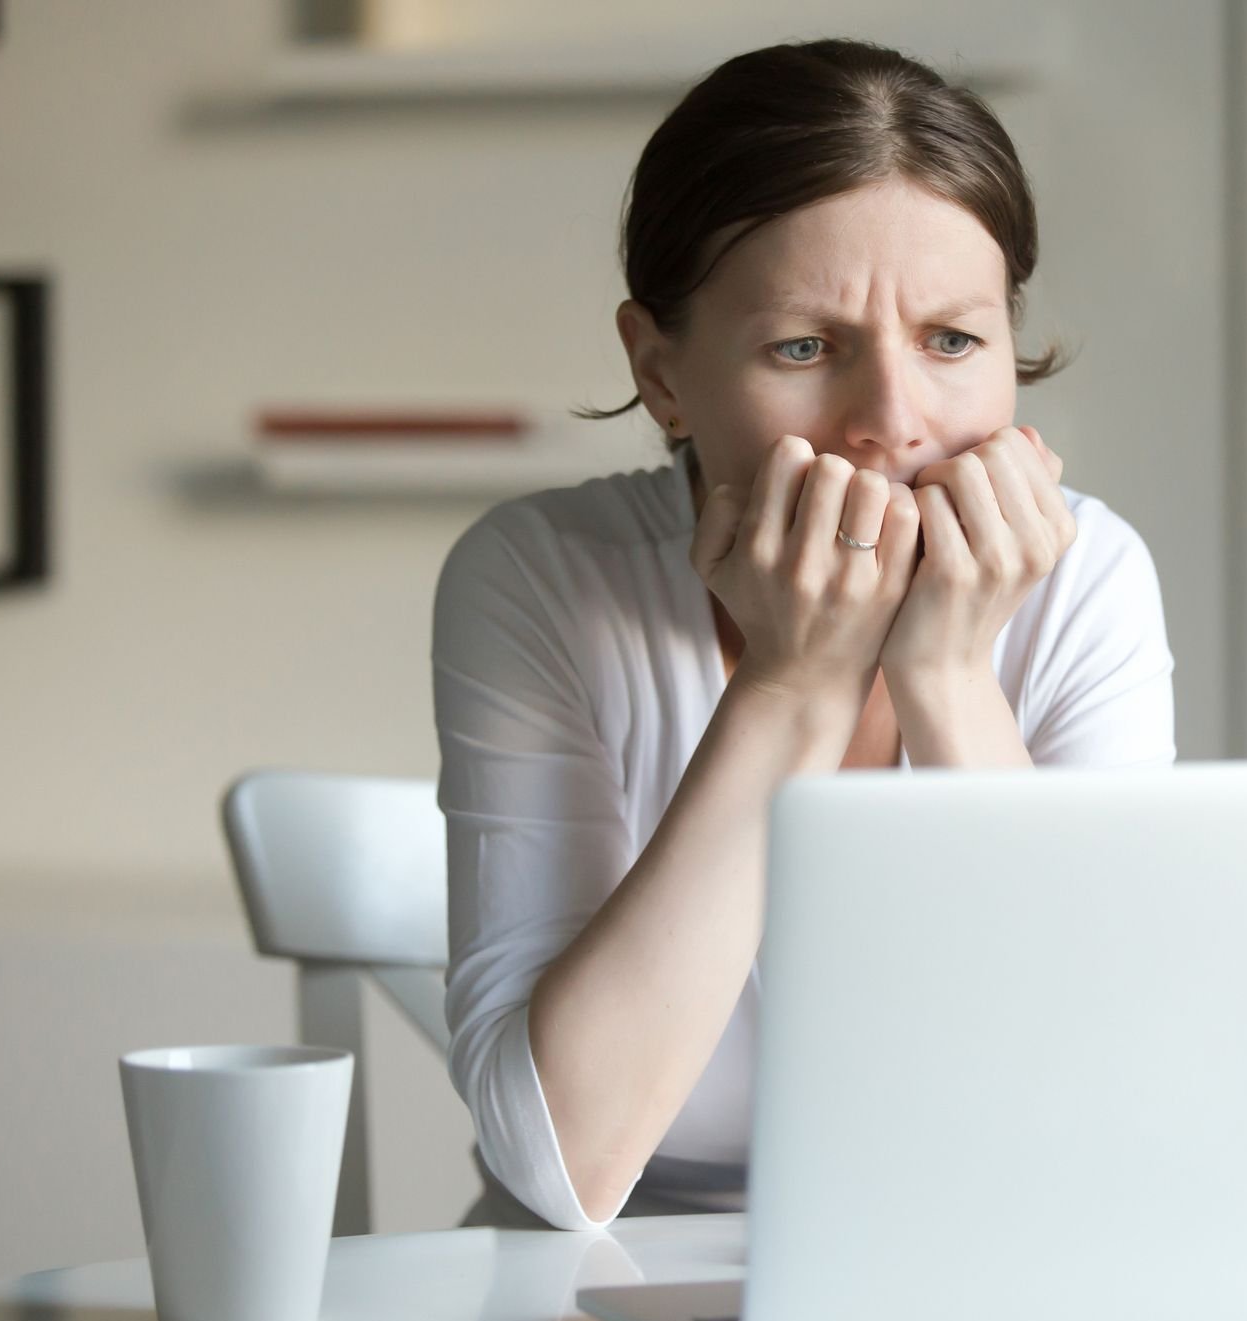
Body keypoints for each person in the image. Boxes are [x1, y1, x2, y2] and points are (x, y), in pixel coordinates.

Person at [431, 38, 1176, 1233]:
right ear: (660, 372)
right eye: (803, 347)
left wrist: (944, 673)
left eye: (951, 341)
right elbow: (560, 1164)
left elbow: (1102, 1104)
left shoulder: (1087, 581)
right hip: (608, 1286)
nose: (893, 422)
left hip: (973, 1254)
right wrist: (793, 683)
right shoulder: (539, 577)